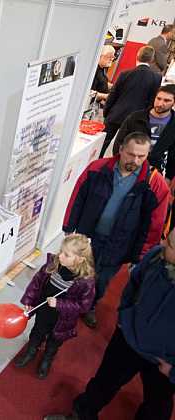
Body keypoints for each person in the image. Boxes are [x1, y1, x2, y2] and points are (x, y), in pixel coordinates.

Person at [44, 228, 175, 420]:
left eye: (170, 244)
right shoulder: (157, 256)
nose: (163, 244)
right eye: (167, 239)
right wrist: (124, 317)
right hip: (127, 339)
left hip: (164, 361)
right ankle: (81, 416)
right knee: (102, 383)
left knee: (156, 406)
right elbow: (133, 284)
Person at [63, 131, 169, 328]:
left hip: (120, 244)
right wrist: (69, 228)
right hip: (88, 237)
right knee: (77, 271)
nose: (135, 160)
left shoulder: (154, 184)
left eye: (141, 156)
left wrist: (142, 255)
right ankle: (68, 303)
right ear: (121, 149)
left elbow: (155, 224)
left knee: (102, 280)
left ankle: (89, 306)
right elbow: (78, 198)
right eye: (131, 154)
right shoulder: (98, 168)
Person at [15, 234, 95, 379]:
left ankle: (47, 358)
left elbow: (84, 306)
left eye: (66, 255)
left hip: (63, 319)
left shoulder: (85, 282)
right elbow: (37, 283)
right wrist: (29, 301)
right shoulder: (53, 264)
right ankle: (31, 350)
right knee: (38, 331)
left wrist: (60, 304)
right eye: (61, 251)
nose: (61, 256)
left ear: (80, 259)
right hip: (44, 310)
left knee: (55, 340)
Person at [100, 46, 161, 158]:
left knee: (102, 144)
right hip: (136, 119)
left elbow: (113, 95)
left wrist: (106, 113)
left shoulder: (125, 74)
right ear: (152, 60)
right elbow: (152, 101)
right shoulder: (156, 78)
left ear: (137, 56)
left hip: (116, 114)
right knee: (124, 149)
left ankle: (97, 166)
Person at [112, 85, 175, 179]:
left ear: (174, 103)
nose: (160, 103)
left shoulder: (173, 124)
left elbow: (173, 154)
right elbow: (119, 143)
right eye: (158, 98)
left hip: (153, 172)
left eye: (166, 101)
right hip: (127, 167)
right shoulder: (135, 117)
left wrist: (168, 177)